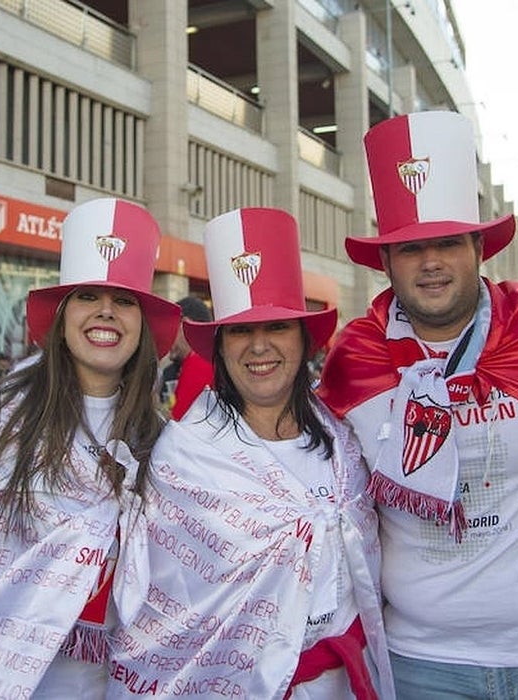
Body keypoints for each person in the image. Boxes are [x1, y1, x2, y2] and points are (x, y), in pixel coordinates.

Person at [317, 111, 518, 698]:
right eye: (410, 248)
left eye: (449, 242)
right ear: (385, 261)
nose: (431, 262)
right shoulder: (353, 359)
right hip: (423, 664)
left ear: (478, 247)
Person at [0, 198, 180, 698]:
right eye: (87, 295)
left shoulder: (164, 437)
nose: (106, 310)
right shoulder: (1, 421)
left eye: (124, 300)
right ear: (63, 316)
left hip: (116, 678)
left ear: (142, 324)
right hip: (8, 677)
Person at [108, 207, 393, 698]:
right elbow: (162, 599)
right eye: (240, 331)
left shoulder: (346, 443)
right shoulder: (184, 456)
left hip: (345, 682)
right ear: (220, 347)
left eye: (277, 327)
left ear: (304, 341)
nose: (259, 346)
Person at [163, 294, 214, 420]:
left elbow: (176, 424)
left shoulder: (200, 363)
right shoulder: (175, 369)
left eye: (170, 327)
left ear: (184, 325)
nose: (165, 337)